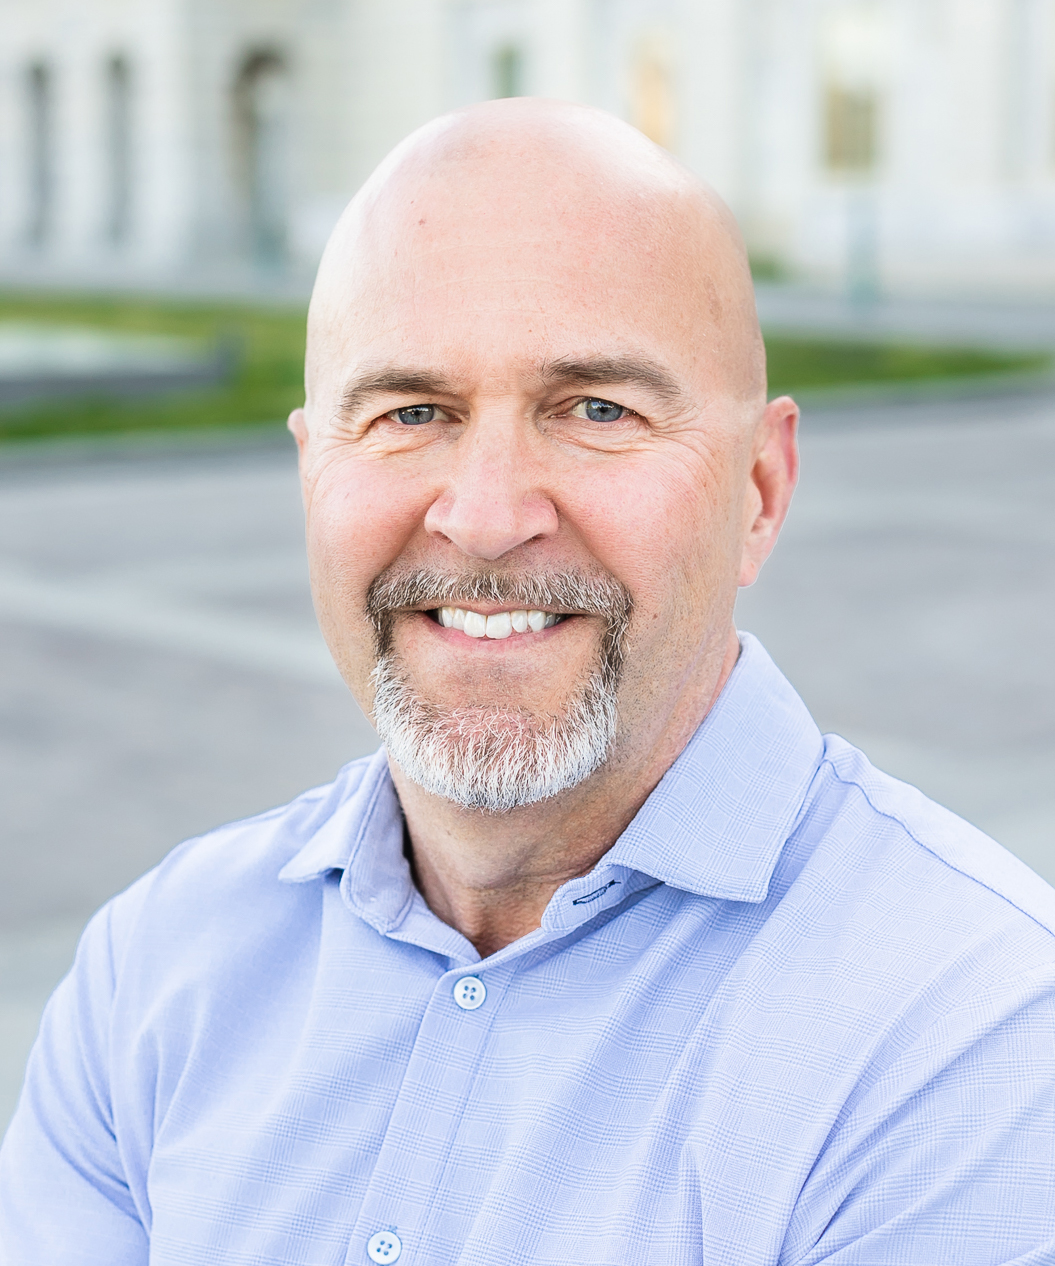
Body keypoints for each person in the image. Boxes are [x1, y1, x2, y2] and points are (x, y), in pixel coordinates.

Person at [2, 98, 1054, 1266]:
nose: (488, 519)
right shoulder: (154, 973)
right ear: (313, 476)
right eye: (411, 413)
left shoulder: (976, 1040)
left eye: (595, 409)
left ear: (757, 489)